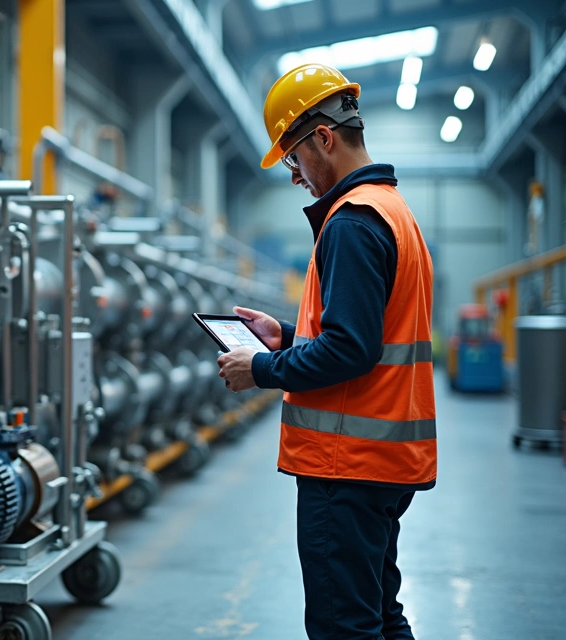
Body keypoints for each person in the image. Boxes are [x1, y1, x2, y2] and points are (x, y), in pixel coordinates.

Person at [215, 63, 437, 640]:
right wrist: (285, 337)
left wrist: (259, 368)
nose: (294, 175)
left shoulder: (353, 222)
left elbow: (351, 350)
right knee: (380, 616)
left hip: (348, 465)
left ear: (324, 137)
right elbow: (368, 336)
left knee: (345, 626)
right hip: (379, 464)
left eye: (293, 156)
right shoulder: (392, 211)